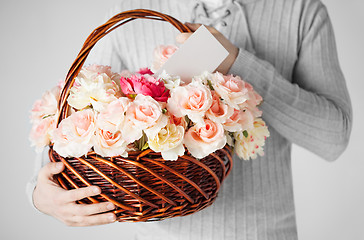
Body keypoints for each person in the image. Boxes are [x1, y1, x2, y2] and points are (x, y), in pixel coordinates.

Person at [27, 0, 352, 239]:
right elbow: (69, 117)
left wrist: (240, 65)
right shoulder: (131, 10)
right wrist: (39, 195)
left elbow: (333, 139)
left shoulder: (301, 10)